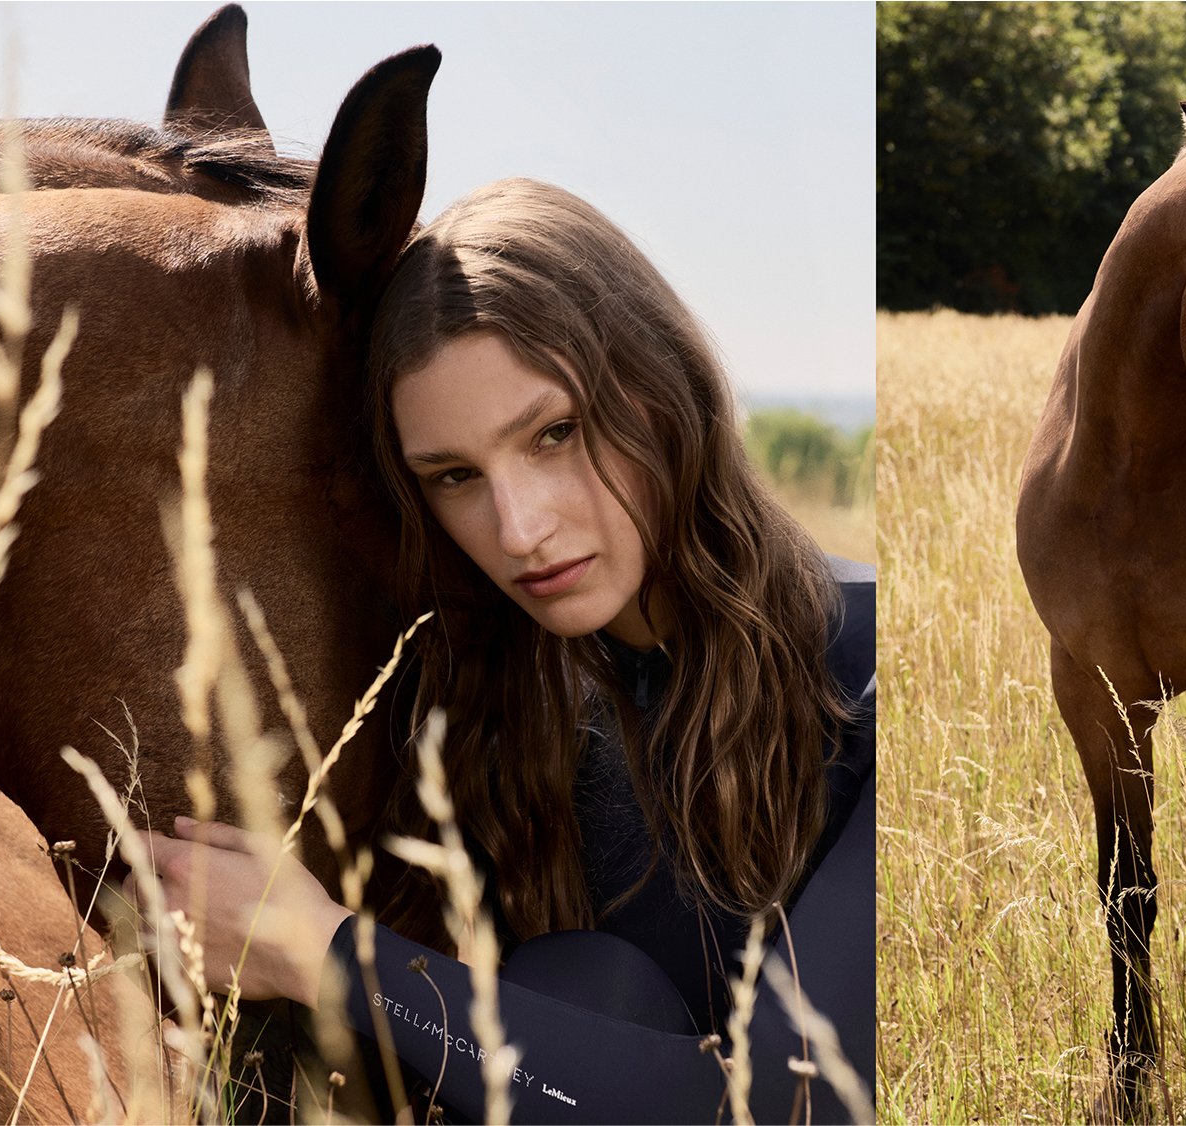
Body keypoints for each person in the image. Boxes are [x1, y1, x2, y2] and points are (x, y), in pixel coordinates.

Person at [135, 178, 875, 1123]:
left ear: (663, 385)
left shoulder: (869, 671)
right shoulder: (499, 704)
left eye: (555, 433)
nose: (519, 530)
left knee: (584, 984)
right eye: (454, 476)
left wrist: (322, 950)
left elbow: (788, 1108)